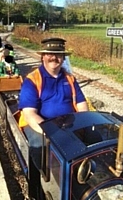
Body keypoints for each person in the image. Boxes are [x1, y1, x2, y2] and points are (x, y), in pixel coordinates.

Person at [18, 37, 88, 198]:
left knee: (95, 137)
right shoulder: (32, 79)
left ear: (63, 58)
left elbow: (82, 103)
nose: (54, 58)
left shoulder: (69, 78)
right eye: (50, 54)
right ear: (43, 56)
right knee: (38, 145)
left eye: (58, 54)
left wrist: (84, 124)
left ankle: (84, 176)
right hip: (41, 125)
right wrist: (50, 132)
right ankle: (41, 186)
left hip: (68, 122)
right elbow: (29, 113)